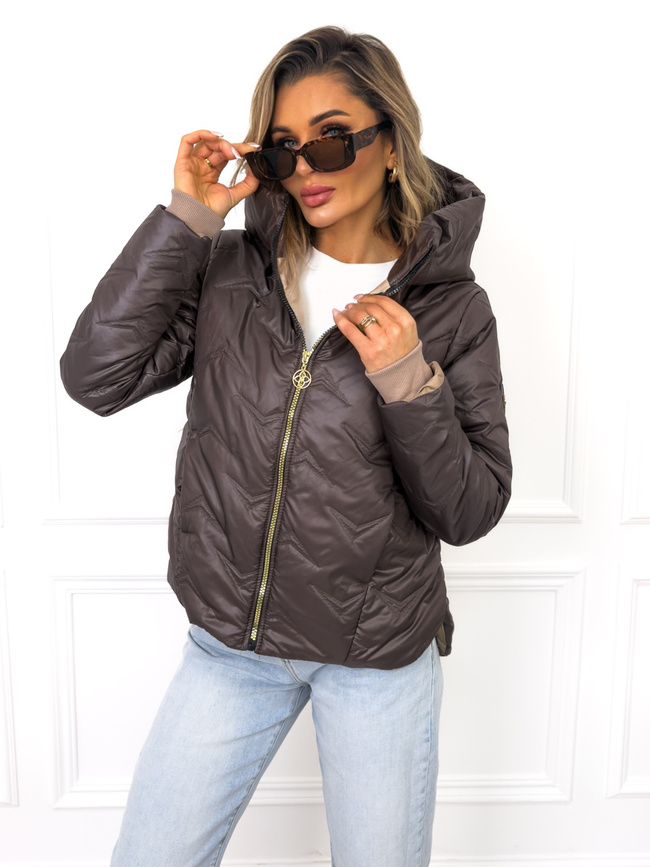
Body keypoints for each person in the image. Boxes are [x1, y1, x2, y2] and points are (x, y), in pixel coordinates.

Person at [60, 25, 511, 867]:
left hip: (375, 657)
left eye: (332, 139)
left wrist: (409, 383)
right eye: (282, 149)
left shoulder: (453, 311)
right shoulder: (232, 271)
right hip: (231, 645)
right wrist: (191, 217)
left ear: (391, 142)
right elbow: (95, 375)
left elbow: (471, 509)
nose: (306, 168)